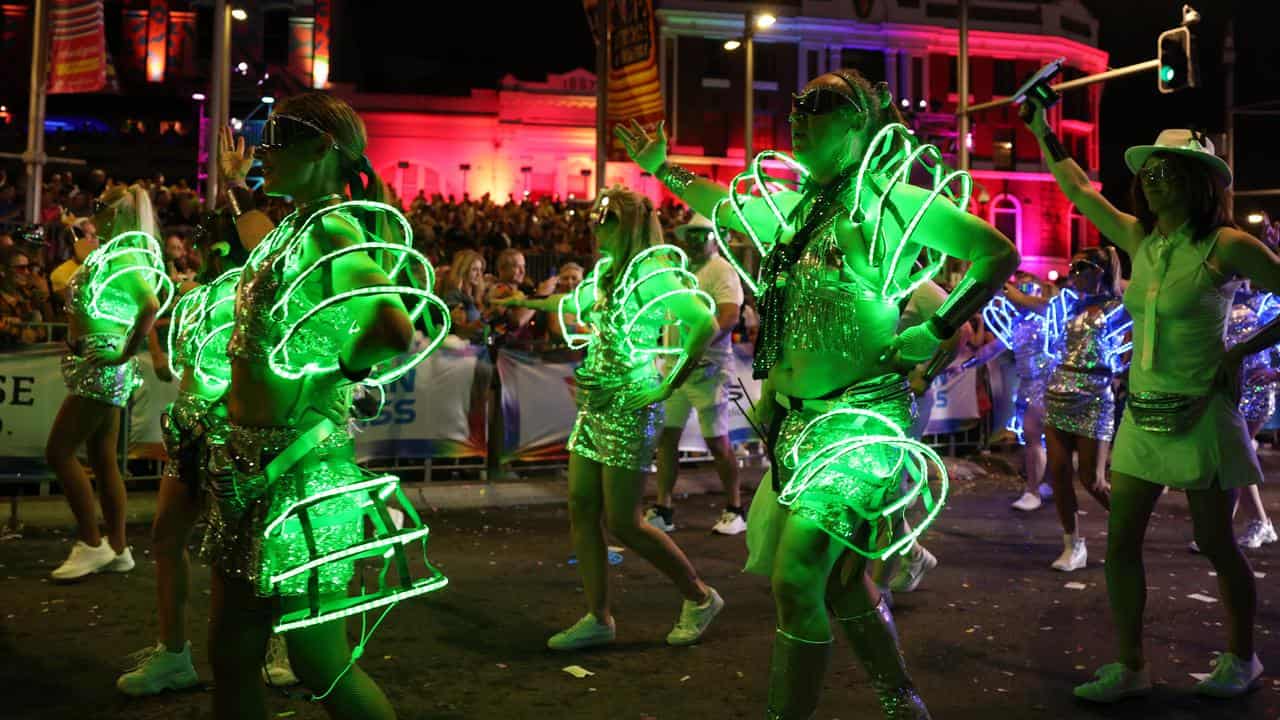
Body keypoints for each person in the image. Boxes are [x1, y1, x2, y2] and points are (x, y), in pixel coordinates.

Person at [618, 68, 1018, 719]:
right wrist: (666, 170)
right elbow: (723, 204)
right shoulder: (794, 209)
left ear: (860, 122)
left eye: (823, 104)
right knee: (839, 582)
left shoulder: (889, 200)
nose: (801, 114)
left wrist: (936, 329)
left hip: (861, 417)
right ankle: (900, 697)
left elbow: (995, 253)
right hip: (795, 424)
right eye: (798, 103)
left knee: (797, 575)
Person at [1024, 101, 1276, 699]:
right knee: (1120, 545)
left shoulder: (1227, 244)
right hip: (1143, 414)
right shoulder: (1142, 240)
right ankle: (1131, 666)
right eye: (1150, 171)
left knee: (1217, 543)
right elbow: (1082, 194)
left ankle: (1243, 657)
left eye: (1169, 170)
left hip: (1203, 417)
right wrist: (1042, 130)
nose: (1154, 180)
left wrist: (1240, 354)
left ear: (1199, 182)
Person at [207, 92, 443, 720]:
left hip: (299, 475)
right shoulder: (292, 227)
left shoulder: (332, 228)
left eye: (279, 136)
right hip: (253, 469)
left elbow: (395, 326)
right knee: (231, 653)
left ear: (322, 150)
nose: (264, 149)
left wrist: (332, 373)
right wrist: (235, 189)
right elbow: (252, 240)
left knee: (319, 664)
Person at [498, 187, 723, 651]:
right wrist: (520, 304)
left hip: (630, 407)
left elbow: (705, 323)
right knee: (581, 508)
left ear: (633, 224)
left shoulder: (650, 273)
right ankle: (598, 617)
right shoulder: (608, 273)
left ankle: (700, 597)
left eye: (609, 220)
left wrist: (667, 383)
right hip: (596, 405)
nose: (598, 228)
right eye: (597, 220)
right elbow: (573, 309)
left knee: (623, 522)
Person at [116, 209, 297, 695]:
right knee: (166, 536)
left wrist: (240, 199)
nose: (202, 253)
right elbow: (174, 368)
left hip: (237, 439)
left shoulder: (260, 297)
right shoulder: (198, 299)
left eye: (212, 244)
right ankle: (174, 654)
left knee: (255, 555)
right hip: (189, 435)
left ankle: (278, 645)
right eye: (201, 244)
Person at [46, 184, 170, 582]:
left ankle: (91, 543)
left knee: (59, 451)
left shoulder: (127, 255)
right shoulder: (111, 254)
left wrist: (124, 352)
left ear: (116, 214)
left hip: (101, 362)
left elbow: (150, 305)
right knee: (102, 457)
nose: (92, 210)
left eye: (99, 205)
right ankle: (117, 548)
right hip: (98, 360)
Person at [648, 214, 746, 535]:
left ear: (715, 238)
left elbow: (730, 315)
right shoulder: (682, 270)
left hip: (708, 369)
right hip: (676, 366)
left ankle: (735, 508)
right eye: (690, 234)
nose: (693, 240)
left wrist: (698, 348)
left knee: (717, 442)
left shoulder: (721, 270)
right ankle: (664, 507)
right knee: (667, 439)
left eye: (701, 234)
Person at [1038, 247, 1129, 571]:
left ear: (1099, 271)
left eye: (1081, 267)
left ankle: (1130, 529)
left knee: (1092, 479)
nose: (1073, 273)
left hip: (1095, 394)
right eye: (1072, 266)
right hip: (1060, 389)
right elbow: (1035, 307)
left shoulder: (1121, 306)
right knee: (1060, 473)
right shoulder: (1067, 304)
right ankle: (1073, 545)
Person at [991, 273, 1058, 511]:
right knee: (1038, 439)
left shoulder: (1050, 316)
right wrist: (964, 365)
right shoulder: (1017, 321)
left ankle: (1033, 491)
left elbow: (1051, 308)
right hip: (1026, 384)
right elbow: (995, 346)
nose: (1017, 295)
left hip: (1046, 383)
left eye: (1026, 289)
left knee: (1033, 437)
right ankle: (1046, 484)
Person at [442, 249, 488, 343]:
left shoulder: (478, 297)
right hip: (463, 352)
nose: (479, 274)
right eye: (474, 270)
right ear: (463, 271)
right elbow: (458, 331)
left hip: (481, 351)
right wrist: (488, 317)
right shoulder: (453, 296)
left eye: (481, 270)